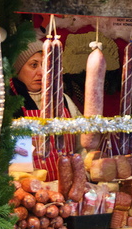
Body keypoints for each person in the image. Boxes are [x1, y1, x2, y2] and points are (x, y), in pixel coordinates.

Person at [10, 40, 83, 179]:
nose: (42, 72)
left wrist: (82, 172)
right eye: (34, 65)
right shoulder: (10, 104)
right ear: (17, 69)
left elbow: (81, 145)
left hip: (67, 187)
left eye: (45, 65)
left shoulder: (63, 99)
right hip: (30, 191)